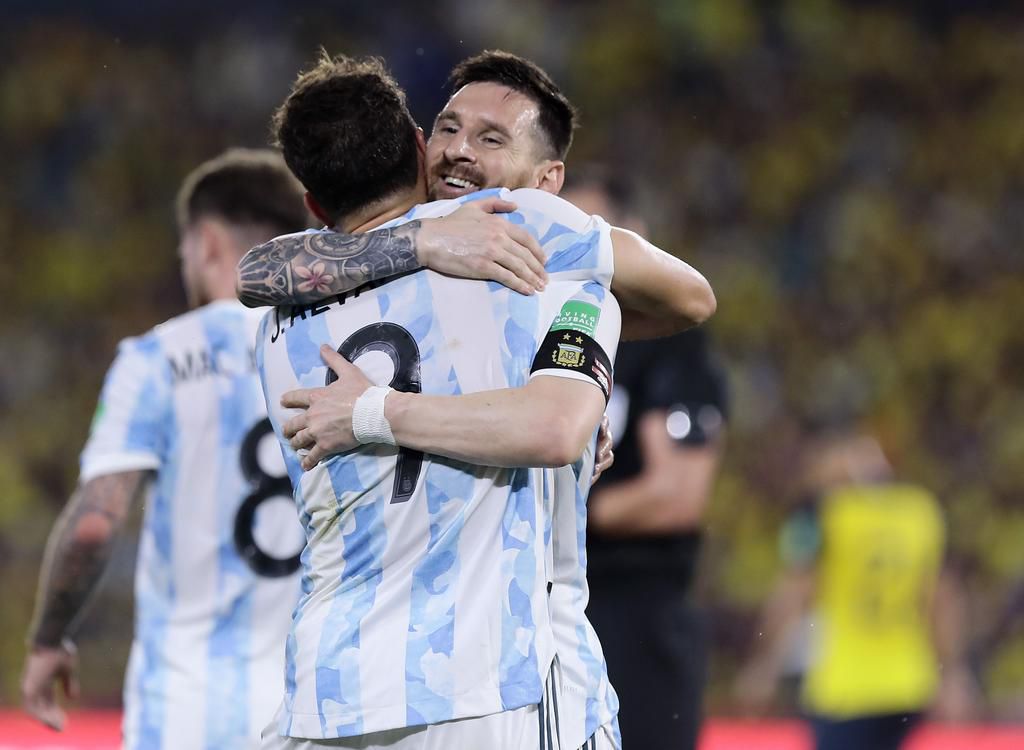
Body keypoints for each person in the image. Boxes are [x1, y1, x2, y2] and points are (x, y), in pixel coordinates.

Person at [238, 50, 716, 750]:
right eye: (449, 129)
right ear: (416, 144)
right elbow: (676, 311)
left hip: (329, 691)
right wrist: (424, 241)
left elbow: (258, 272)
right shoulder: (529, 238)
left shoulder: (286, 305)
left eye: (491, 139)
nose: (460, 150)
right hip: (491, 682)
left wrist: (587, 379)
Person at [19, 149, 311, 750]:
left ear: (206, 242)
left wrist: (49, 639)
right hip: (310, 704)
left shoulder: (157, 359)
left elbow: (96, 524)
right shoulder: (334, 346)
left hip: (185, 710)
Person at [560, 167, 730, 750]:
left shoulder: (669, 345)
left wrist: (555, 508)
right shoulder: (543, 333)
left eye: (590, 231)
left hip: (634, 617)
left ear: (633, 238)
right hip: (546, 606)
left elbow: (676, 497)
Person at [734, 430, 978, 750]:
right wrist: (954, 672)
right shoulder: (921, 512)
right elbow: (942, 597)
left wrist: (764, 665)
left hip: (844, 688)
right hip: (908, 684)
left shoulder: (822, 515)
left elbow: (793, 592)